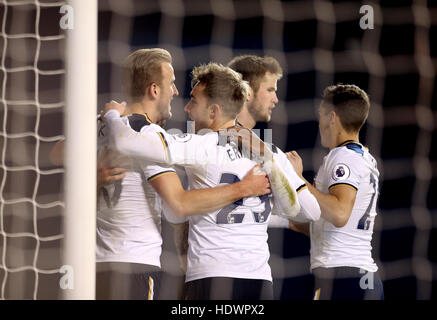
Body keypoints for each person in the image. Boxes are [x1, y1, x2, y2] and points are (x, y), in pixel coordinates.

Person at [103, 63, 313, 299]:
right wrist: (282, 172)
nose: (187, 107)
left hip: (211, 275)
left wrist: (112, 115)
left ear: (213, 112)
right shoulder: (270, 152)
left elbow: (124, 141)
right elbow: (307, 212)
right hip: (260, 281)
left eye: (194, 101)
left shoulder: (200, 145)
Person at [287, 84, 384, 300]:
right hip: (362, 278)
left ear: (332, 117)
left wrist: (299, 178)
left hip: (342, 279)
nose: (319, 122)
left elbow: (340, 214)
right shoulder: (364, 157)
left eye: (321, 114)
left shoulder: (343, 157)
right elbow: (340, 224)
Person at [228, 54, 320, 225]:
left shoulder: (203, 143)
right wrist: (296, 177)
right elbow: (312, 212)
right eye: (270, 90)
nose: (276, 99)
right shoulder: (273, 155)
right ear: (247, 92)